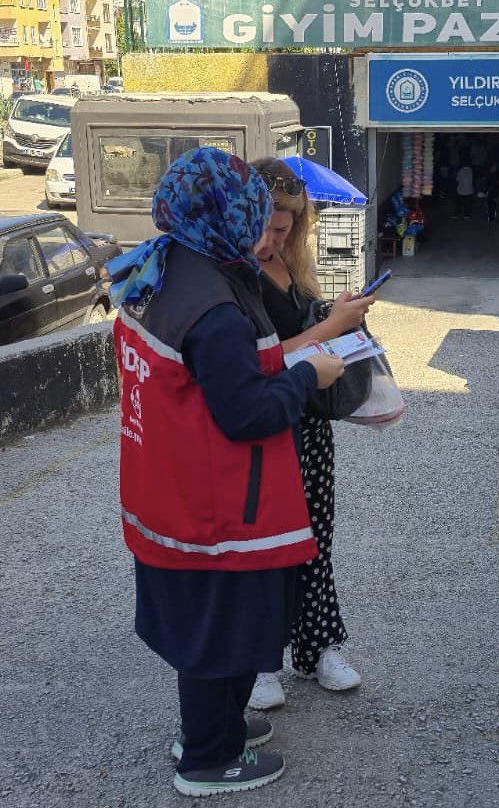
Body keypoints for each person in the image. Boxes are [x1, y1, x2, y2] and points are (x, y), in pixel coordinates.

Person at [108, 147, 344, 797]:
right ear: (224, 213)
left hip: (172, 488)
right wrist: (308, 376)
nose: (261, 228)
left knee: (208, 624)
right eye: (252, 213)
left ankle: (214, 731)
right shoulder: (212, 305)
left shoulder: (170, 265)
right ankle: (207, 760)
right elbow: (245, 413)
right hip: (215, 506)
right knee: (220, 631)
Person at [246, 156, 375, 711]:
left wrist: (334, 314)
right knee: (264, 546)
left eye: (287, 227)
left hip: (310, 423)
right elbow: (254, 360)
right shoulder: (234, 275)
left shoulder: (288, 262)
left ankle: (319, 646)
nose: (275, 239)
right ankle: (259, 660)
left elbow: (298, 331)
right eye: (269, 226)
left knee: (314, 540)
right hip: (266, 423)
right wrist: (328, 328)